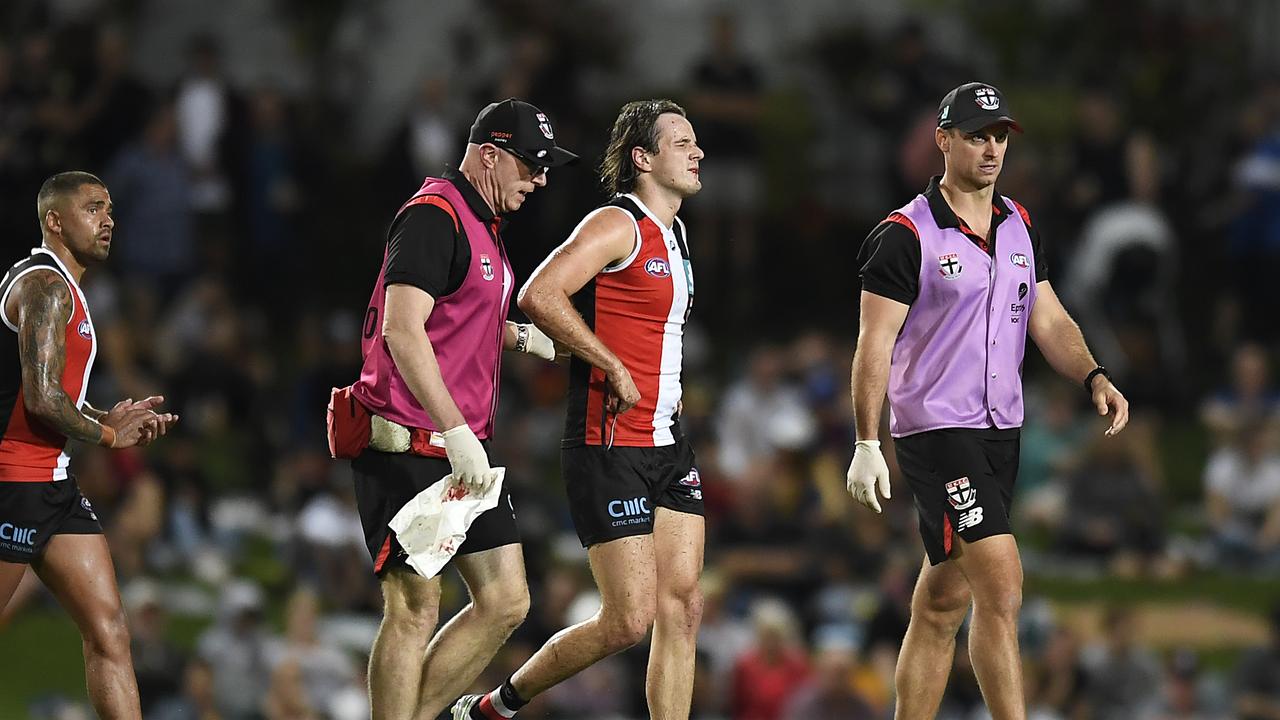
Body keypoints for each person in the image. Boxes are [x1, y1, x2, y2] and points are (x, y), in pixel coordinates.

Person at [845, 83, 1130, 720]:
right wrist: (866, 442)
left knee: (943, 601)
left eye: (999, 135)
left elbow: (1047, 317)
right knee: (1001, 588)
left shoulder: (1019, 223)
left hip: (1002, 427)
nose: (992, 147)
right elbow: (874, 346)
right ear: (942, 140)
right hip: (937, 429)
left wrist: (1093, 376)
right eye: (977, 134)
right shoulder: (904, 235)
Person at [455, 99, 706, 720]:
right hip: (609, 443)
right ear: (643, 158)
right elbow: (538, 293)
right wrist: (610, 363)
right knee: (628, 621)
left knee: (686, 606)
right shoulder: (618, 224)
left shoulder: (675, 233)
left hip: (667, 442)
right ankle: (500, 703)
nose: (697, 152)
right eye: (681, 142)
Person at [345, 98, 575, 720]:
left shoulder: (482, 224)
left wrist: (523, 336)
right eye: (530, 165)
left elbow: (459, 308)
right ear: (489, 155)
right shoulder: (433, 215)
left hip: (454, 444)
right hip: (410, 438)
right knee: (415, 607)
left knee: (506, 600)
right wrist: (453, 428)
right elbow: (403, 328)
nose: (540, 178)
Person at [0, 170, 177, 719]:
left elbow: (48, 394)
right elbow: (40, 401)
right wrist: (107, 434)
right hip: (14, 483)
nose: (109, 220)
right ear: (55, 220)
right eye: (93, 208)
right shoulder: (46, 288)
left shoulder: (59, 285)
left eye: (109, 209)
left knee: (109, 632)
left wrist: (106, 413)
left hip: (53, 485)